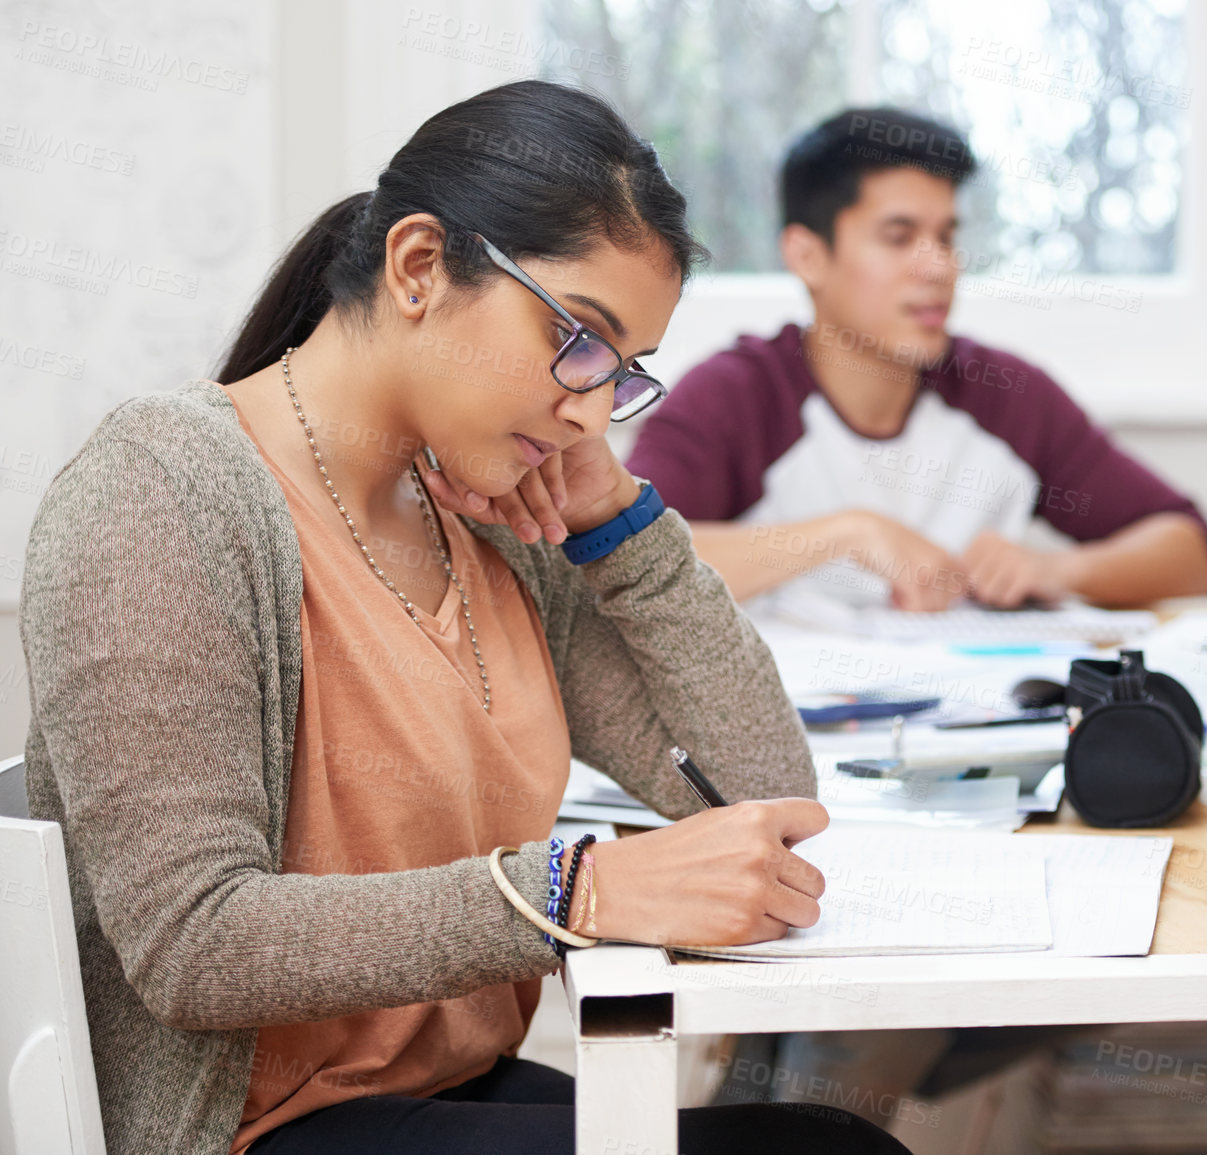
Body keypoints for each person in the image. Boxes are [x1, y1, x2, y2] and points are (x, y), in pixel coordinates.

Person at [19, 81, 909, 1155]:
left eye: (623, 375)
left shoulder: (492, 524)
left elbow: (762, 793)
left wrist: (623, 525)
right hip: (253, 1134)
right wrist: (574, 891)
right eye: (578, 339)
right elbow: (194, 945)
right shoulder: (161, 493)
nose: (589, 407)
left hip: (447, 1097)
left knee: (825, 1138)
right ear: (420, 266)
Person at [625, 107, 1207, 613]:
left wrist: (1057, 571)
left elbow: (1195, 553)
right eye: (899, 236)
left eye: (946, 236)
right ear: (807, 255)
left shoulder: (1006, 395)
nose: (938, 267)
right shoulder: (736, 396)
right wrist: (844, 536)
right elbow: (624, 562)